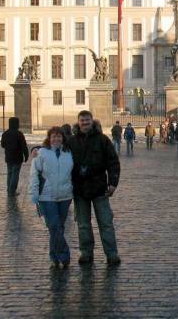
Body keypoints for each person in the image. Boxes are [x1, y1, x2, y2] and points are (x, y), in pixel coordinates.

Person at [68, 110, 121, 265]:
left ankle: (111, 254)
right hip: (79, 189)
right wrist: (37, 150)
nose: (85, 123)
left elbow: (113, 162)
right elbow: (56, 152)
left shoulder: (103, 140)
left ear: (92, 121)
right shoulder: (71, 141)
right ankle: (86, 253)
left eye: (87, 120)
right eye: (82, 120)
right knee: (83, 225)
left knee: (106, 223)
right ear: (78, 122)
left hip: (99, 188)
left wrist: (113, 182)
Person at [29, 126, 73, 269]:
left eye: (59, 136)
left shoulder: (69, 153)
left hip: (65, 196)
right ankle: (65, 254)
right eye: (53, 136)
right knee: (53, 225)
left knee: (57, 228)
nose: (56, 139)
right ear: (49, 138)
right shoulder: (41, 153)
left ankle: (53, 256)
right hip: (46, 196)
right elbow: (34, 173)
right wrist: (34, 193)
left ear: (63, 138)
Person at [1, 117, 29, 197]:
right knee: (15, 174)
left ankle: (8, 189)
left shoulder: (5, 133)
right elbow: (24, 146)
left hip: (8, 157)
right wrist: (26, 155)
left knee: (9, 173)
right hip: (17, 157)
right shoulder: (19, 134)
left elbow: (2, 145)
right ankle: (12, 191)